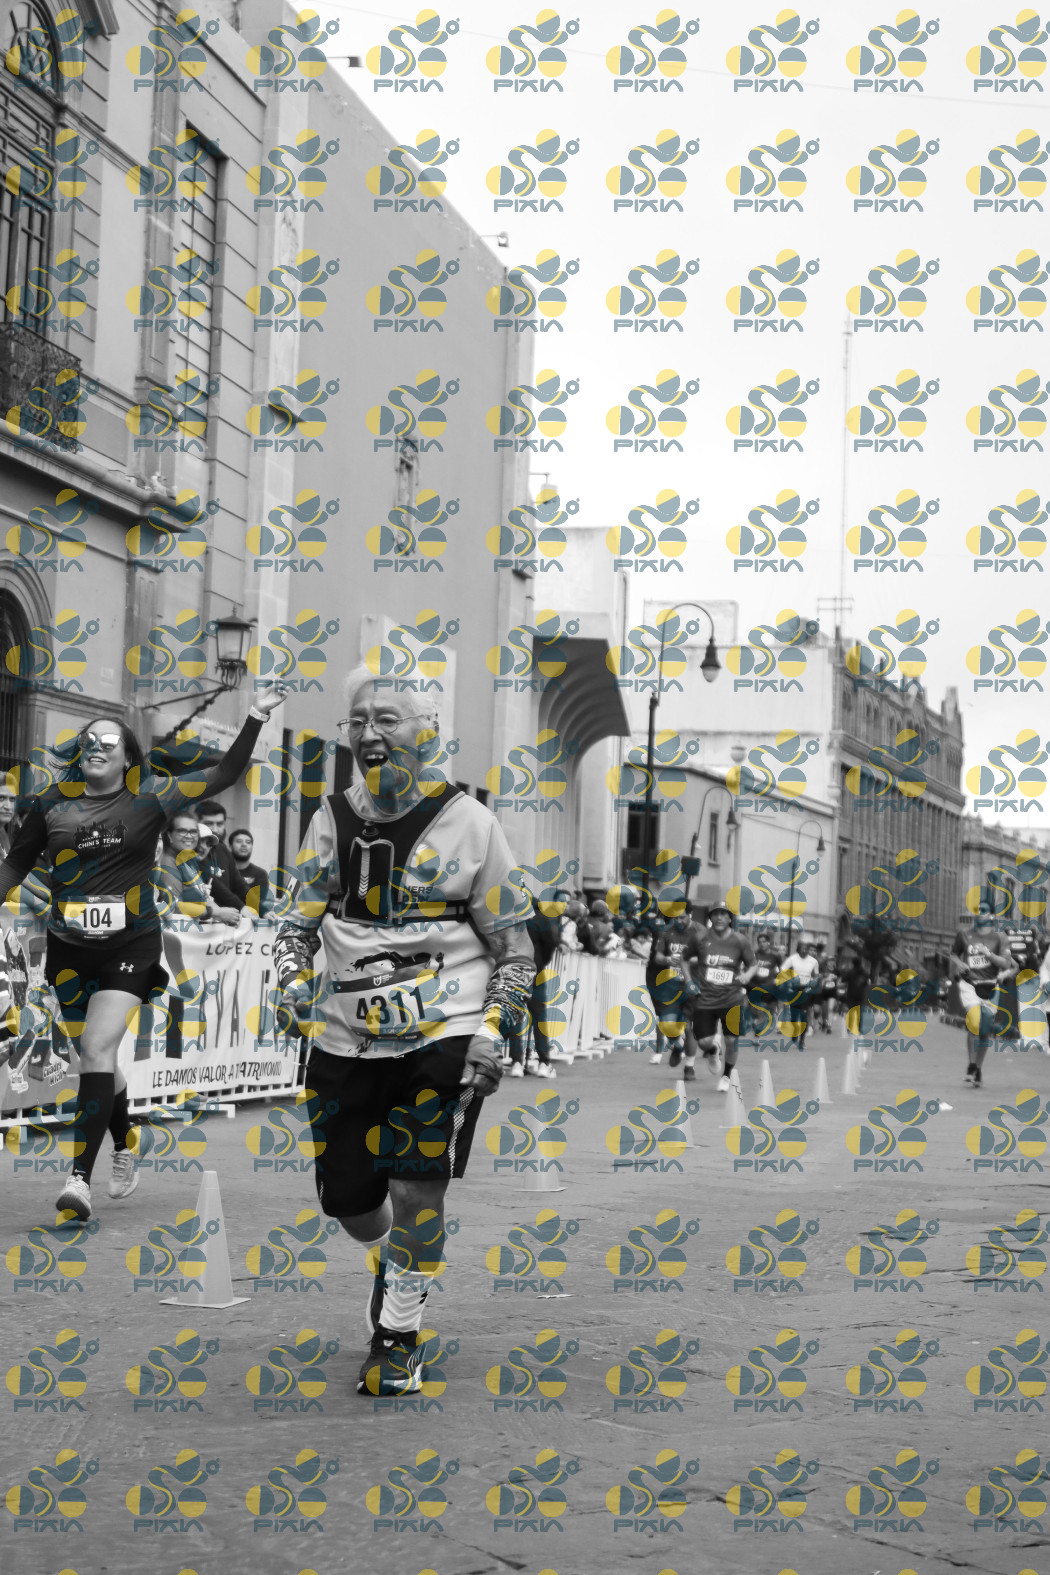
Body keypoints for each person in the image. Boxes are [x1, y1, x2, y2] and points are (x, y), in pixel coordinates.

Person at [273, 670, 535, 1399]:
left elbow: (516, 948)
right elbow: (294, 925)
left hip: (444, 1031)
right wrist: (290, 981)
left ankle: (398, 1337)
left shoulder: (473, 824)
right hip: (346, 1037)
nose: (369, 733)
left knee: (419, 1185)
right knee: (349, 1200)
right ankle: (395, 1265)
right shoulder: (329, 819)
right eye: (357, 720)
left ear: (429, 732)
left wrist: (492, 1030)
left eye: (386, 719)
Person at [0, 684, 288, 1220]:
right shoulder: (50, 803)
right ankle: (126, 1140)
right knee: (98, 1060)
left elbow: (224, 774)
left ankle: (78, 1180)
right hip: (68, 948)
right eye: (88, 740)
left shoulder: (152, 797)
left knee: (96, 1048)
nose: (96, 747)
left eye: (108, 741)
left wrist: (254, 715)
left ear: (128, 757)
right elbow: (16, 865)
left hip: (130, 945)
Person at [690, 901, 756, 1091]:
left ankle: (726, 1076)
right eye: (715, 914)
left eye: (723, 914)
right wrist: (688, 981)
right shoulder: (700, 938)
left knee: (731, 1040)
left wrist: (747, 975)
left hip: (732, 998)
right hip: (706, 998)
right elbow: (685, 959)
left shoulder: (740, 940)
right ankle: (713, 1049)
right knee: (703, 1042)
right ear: (710, 917)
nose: (719, 917)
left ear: (729, 918)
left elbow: (753, 964)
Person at [951, 902, 1013, 1087]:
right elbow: (953, 954)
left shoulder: (1000, 937)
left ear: (992, 916)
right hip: (969, 985)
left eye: (983, 911)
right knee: (974, 1021)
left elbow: (1006, 964)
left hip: (990, 986)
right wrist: (959, 964)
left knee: (985, 1030)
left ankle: (978, 1068)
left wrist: (988, 954)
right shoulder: (964, 934)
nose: (979, 914)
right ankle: (971, 1065)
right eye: (977, 911)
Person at [645, 909, 701, 1071]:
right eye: (676, 918)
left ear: (690, 915)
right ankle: (677, 1044)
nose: (679, 921)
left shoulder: (699, 932)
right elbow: (658, 957)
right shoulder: (666, 933)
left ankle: (689, 1067)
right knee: (665, 1023)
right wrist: (668, 959)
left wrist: (686, 960)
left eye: (682, 917)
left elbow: (706, 957)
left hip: (692, 984)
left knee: (688, 1027)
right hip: (670, 985)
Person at [194, 799, 241, 909]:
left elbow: (239, 884)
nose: (215, 829)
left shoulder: (223, 850)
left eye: (220, 824)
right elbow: (216, 886)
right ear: (196, 823)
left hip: (224, 917)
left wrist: (261, 909)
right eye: (209, 824)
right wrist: (241, 907)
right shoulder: (191, 851)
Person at [782, 936, 821, 1051]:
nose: (804, 950)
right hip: (794, 988)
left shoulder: (813, 961)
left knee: (804, 1014)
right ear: (798, 949)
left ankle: (802, 1040)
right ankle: (794, 1032)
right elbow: (783, 970)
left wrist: (813, 983)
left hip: (806, 989)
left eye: (806, 948)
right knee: (794, 1014)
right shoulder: (792, 959)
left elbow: (816, 975)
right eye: (802, 948)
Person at [229, 827, 271, 914]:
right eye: (239, 841)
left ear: (252, 847)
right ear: (230, 846)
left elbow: (257, 903)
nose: (244, 844)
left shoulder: (260, 874)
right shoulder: (222, 871)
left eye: (248, 842)